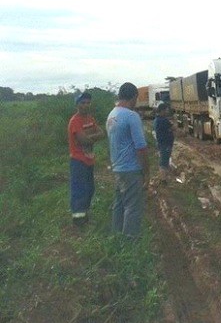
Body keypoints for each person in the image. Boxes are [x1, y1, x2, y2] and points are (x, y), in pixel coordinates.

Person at [106, 82, 150, 237]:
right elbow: (141, 148)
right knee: (133, 207)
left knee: (119, 205)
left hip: (117, 168)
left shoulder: (112, 115)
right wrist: (147, 173)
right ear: (134, 97)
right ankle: (130, 243)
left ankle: (116, 236)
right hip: (131, 169)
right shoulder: (132, 116)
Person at [68, 91, 105, 226]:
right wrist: (92, 137)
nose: (86, 105)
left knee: (90, 189)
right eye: (83, 103)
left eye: (88, 102)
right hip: (78, 160)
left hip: (89, 159)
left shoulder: (90, 118)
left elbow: (102, 133)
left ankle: (84, 215)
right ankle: (78, 220)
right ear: (77, 104)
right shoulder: (75, 121)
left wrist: (90, 138)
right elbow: (83, 140)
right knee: (79, 190)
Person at [153, 102, 174, 184]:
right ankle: (163, 180)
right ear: (162, 110)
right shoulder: (163, 120)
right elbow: (173, 128)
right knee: (164, 162)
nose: (167, 111)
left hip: (161, 143)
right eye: (166, 110)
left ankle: (165, 177)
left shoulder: (156, 120)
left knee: (164, 160)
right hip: (165, 144)